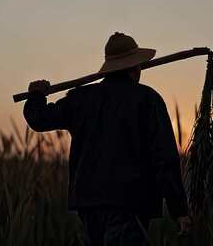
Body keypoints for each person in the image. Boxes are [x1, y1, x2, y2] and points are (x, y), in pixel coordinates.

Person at [23, 32, 191, 246]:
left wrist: (36, 96)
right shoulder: (148, 100)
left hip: (89, 208)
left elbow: (39, 119)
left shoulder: (81, 99)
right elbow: (164, 158)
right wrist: (179, 210)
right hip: (130, 206)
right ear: (135, 67)